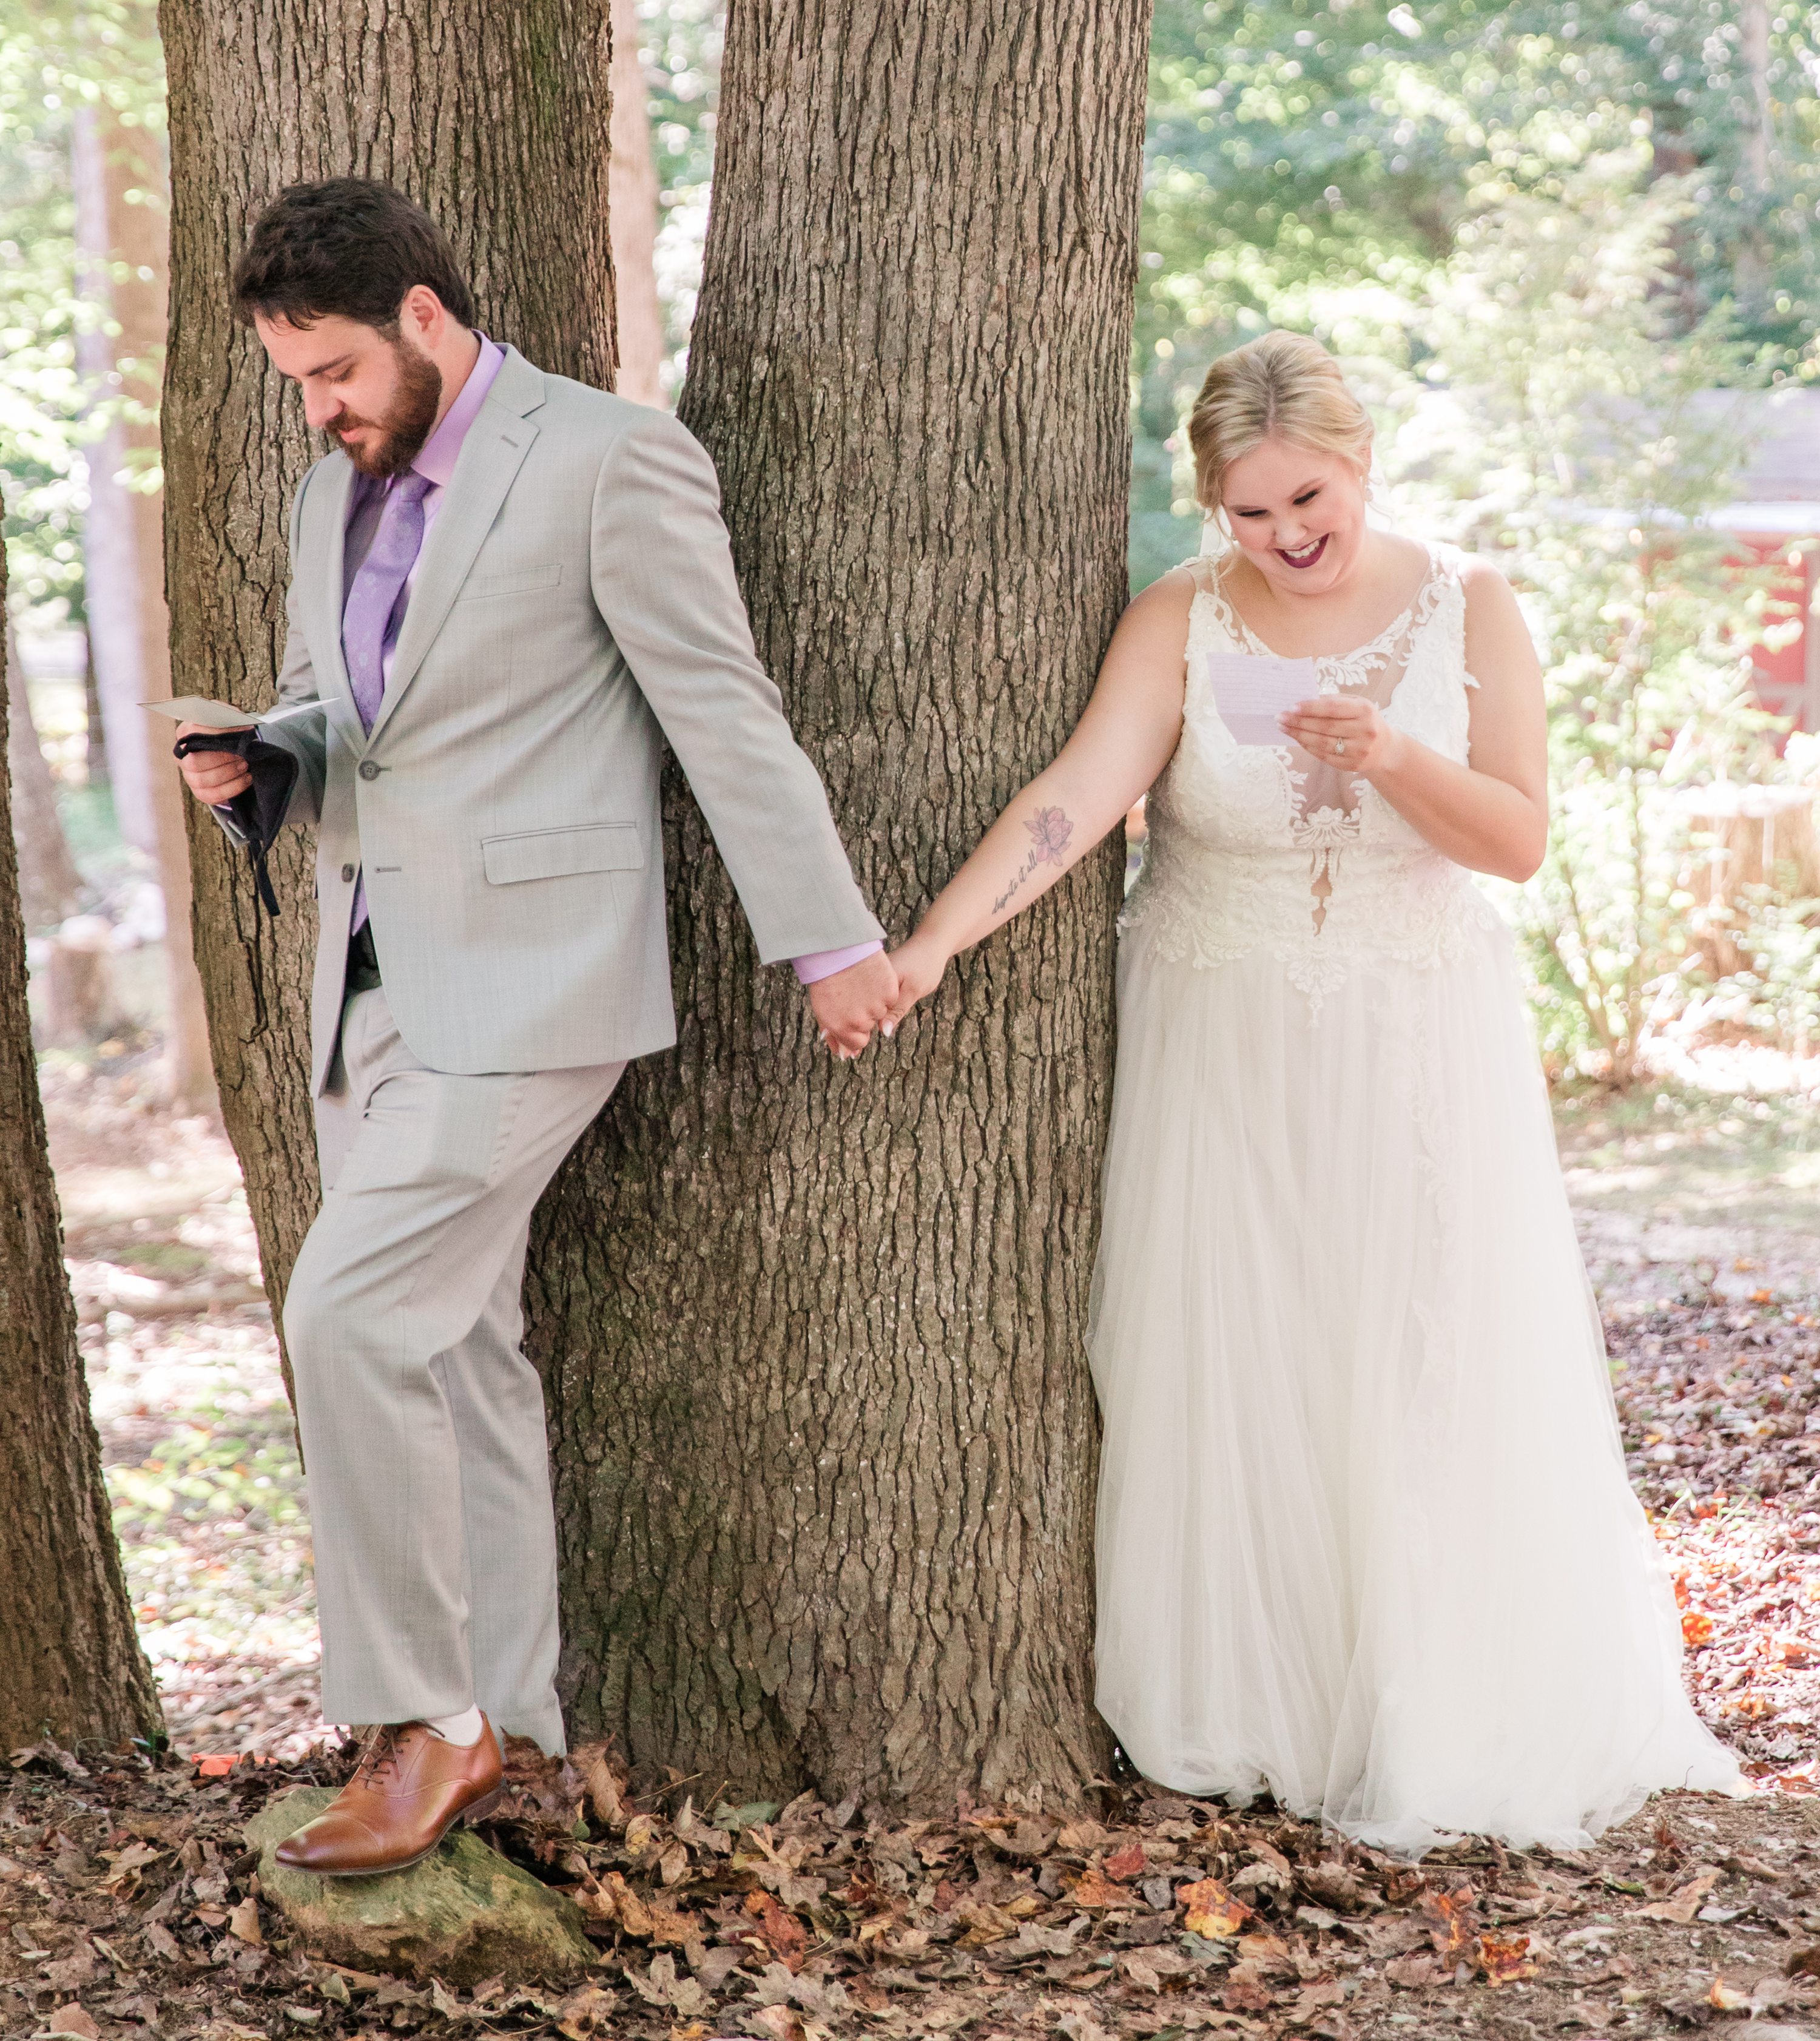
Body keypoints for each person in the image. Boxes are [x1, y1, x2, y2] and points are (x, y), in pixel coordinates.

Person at [885, 329, 1741, 1852]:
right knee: (1238, 1356)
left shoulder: (1464, 602)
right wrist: (937, 943)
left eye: (1309, 501)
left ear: (1360, 463)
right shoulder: (1184, 616)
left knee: (1419, 1354)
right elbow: (1079, 797)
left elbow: (1519, 842)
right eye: (1251, 513)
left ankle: (1430, 1698)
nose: (1287, 537)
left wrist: (1398, 755)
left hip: (1419, 1040)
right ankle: (1265, 1702)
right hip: (1222, 1039)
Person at [178, 177, 896, 1877]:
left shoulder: (607, 457)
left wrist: (832, 941)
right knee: (458, 1349)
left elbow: (721, 707)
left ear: (427, 315)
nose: (319, 407)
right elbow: (347, 713)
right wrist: (268, 757)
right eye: (294, 378)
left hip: (538, 979)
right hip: (365, 981)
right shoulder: (321, 491)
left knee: (348, 1313)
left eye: (335, 368)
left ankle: (425, 1720)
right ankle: (524, 1721)